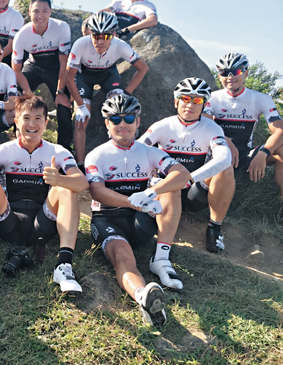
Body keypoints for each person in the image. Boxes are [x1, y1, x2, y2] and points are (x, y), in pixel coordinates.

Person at [0, 94, 86, 296]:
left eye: (38, 118)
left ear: (46, 123)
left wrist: (59, 180)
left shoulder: (58, 151)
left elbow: (82, 183)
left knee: (66, 188)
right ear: (16, 121)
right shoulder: (2, 150)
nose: (32, 124)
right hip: (8, 222)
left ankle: (64, 267)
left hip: (42, 225)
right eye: (26, 118)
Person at [84, 94, 191, 327]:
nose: (122, 124)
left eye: (129, 118)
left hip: (139, 219)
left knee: (171, 188)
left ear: (138, 122)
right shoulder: (97, 155)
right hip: (108, 219)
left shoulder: (148, 151)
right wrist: (132, 201)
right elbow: (97, 191)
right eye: (116, 119)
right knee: (122, 256)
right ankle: (143, 297)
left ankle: (161, 258)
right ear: (107, 123)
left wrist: (150, 193)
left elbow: (182, 175)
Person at [138, 78, 233, 291]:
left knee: (226, 169)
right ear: (176, 102)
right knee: (170, 182)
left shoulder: (212, 128)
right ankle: (161, 257)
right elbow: (136, 150)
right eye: (185, 99)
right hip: (165, 189)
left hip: (193, 191)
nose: (190, 104)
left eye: (197, 100)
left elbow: (224, 157)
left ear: (204, 105)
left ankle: (214, 228)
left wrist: (189, 178)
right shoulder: (163, 125)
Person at [65, 12, 148, 165]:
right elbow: (69, 78)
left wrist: (126, 93)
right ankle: (81, 165)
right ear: (90, 33)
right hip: (84, 76)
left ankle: (120, 157)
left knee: (119, 111)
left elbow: (143, 68)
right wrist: (80, 106)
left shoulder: (120, 45)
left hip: (108, 75)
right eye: (96, 36)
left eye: (106, 36)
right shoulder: (81, 44)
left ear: (114, 34)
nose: (100, 41)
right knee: (81, 120)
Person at [204, 53, 283, 197]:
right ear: (219, 76)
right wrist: (225, 141)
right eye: (225, 73)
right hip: (218, 152)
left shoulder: (261, 98)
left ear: (246, 73)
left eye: (236, 71)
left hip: (246, 154)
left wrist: (263, 153)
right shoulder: (211, 98)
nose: (230, 77)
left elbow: (280, 131)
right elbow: (204, 127)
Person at [12, 0, 73, 150]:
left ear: (51, 11)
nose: (40, 16)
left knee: (64, 106)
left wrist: (60, 92)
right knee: (18, 97)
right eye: (36, 11)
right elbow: (16, 70)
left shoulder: (62, 28)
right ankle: (19, 142)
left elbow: (64, 63)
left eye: (44, 11)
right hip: (34, 64)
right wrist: (28, 93)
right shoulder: (21, 35)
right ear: (29, 12)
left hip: (56, 66)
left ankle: (64, 150)